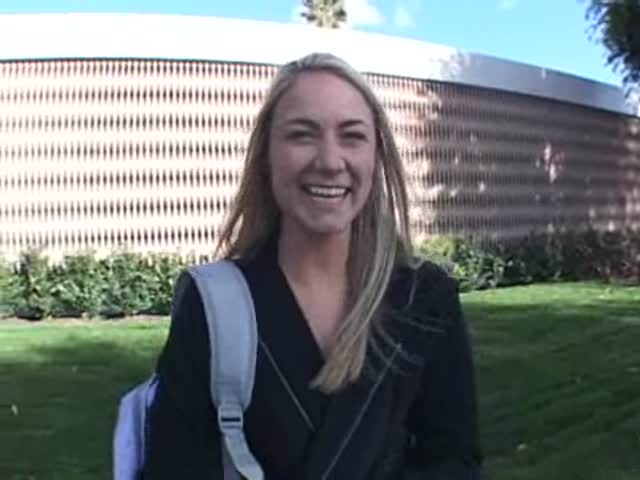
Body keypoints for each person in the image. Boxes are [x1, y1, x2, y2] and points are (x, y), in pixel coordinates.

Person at [142, 52, 483, 479]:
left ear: (376, 157)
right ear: (266, 155)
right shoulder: (213, 305)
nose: (329, 161)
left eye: (352, 136)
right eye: (302, 135)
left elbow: (454, 462)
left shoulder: (423, 298)